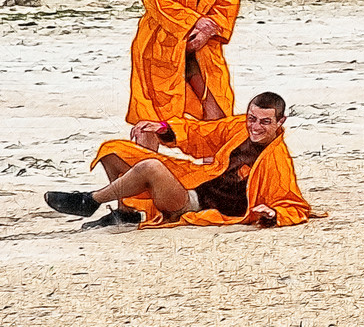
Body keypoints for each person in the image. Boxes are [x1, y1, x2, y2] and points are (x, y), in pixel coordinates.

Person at [43, 92, 313, 229]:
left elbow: (295, 204)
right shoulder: (238, 127)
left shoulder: (278, 159)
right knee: (113, 149)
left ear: (280, 122)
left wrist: (275, 215)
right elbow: (201, 134)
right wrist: (162, 128)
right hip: (193, 180)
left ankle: (89, 201)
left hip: (195, 204)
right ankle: (124, 214)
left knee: (151, 167)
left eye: (265, 122)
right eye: (252, 119)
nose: (255, 127)